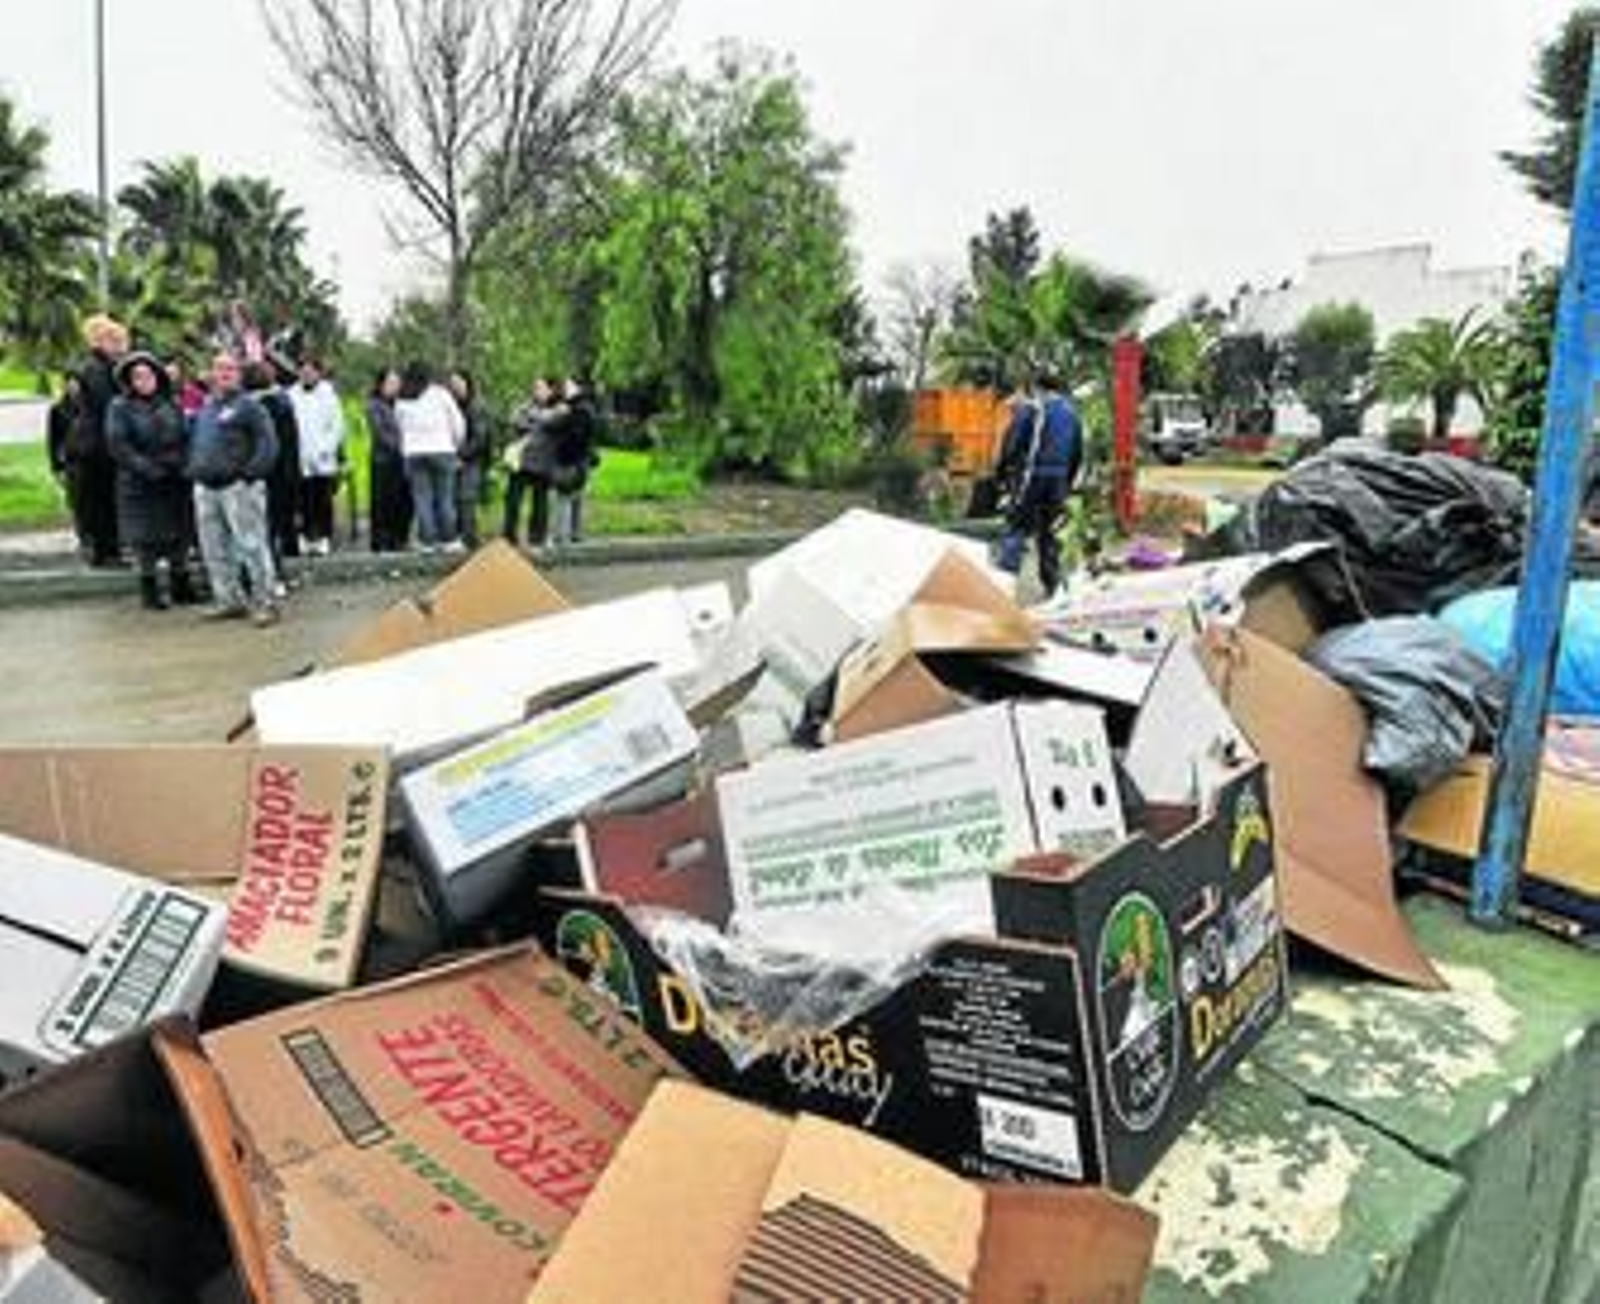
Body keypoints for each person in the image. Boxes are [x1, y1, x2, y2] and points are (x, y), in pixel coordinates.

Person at [188, 353, 281, 626]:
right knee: (213, 547)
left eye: (230, 369)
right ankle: (229, 600)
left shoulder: (250, 406)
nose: (225, 373)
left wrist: (249, 476)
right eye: (219, 368)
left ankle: (266, 602)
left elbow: (268, 443)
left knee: (251, 545)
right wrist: (193, 468)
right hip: (205, 487)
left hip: (238, 488)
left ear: (239, 374)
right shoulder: (207, 408)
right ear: (211, 374)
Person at [105, 351, 198, 610]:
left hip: (173, 478)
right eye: (137, 376)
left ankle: (182, 585)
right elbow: (118, 444)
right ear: (129, 380)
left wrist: (181, 462)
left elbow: (184, 436)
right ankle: (150, 590)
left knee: (179, 535)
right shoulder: (119, 406)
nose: (144, 380)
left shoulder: (171, 403)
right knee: (146, 539)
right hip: (140, 482)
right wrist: (146, 467)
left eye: (148, 374)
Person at [993, 372, 1084, 597]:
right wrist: (1066, 485)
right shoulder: (1072, 414)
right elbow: (1077, 453)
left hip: (1032, 478)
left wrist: (1002, 475)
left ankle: (1001, 591)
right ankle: (1052, 589)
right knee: (1049, 533)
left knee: (1016, 528)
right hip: (1058, 482)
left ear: (1038, 388)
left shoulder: (1033, 409)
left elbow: (1012, 444)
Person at [70, 314, 129, 566]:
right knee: (101, 498)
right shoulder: (97, 369)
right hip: (97, 444)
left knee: (97, 499)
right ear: (101, 340)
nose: (121, 347)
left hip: (90, 441)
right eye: (115, 340)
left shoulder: (91, 367)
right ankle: (106, 551)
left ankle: (103, 549)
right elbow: (107, 405)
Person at [395, 359, 464, 550]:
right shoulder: (440, 394)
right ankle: (449, 539)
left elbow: (400, 428)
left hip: (413, 453)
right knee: (444, 497)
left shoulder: (402, 398)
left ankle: (428, 541)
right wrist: (455, 445)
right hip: (442, 449)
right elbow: (457, 423)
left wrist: (408, 447)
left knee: (422, 498)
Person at [246, 361, 301, 581]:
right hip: (282, 472)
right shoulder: (284, 403)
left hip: (259, 472)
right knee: (274, 526)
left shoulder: (250, 406)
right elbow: (293, 442)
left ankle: (267, 575)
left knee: (260, 528)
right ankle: (277, 573)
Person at [289, 356, 345, 555]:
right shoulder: (291, 395)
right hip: (300, 456)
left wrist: (325, 450)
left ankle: (323, 537)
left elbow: (337, 426)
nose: (306, 374)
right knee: (302, 500)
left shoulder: (329, 395)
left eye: (311, 370)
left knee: (322, 499)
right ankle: (304, 537)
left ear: (318, 373)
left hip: (323, 458)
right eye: (303, 370)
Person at [502, 377, 557, 547]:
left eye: (541, 387)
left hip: (543, 462)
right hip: (521, 461)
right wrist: (537, 421)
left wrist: (534, 420)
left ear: (550, 390)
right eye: (535, 387)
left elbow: (553, 423)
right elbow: (514, 420)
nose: (536, 391)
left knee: (540, 502)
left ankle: (537, 538)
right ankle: (509, 537)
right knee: (513, 501)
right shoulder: (524, 406)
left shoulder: (557, 408)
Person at [546, 377, 599, 545]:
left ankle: (562, 536)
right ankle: (573, 534)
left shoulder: (579, 410)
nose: (564, 388)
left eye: (568, 385)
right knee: (574, 498)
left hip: (572, 460)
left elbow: (575, 437)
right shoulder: (579, 407)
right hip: (580, 460)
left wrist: (560, 420)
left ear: (577, 388)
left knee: (564, 497)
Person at [366, 367, 411, 551]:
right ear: (381, 384)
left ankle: (399, 539)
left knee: (403, 501)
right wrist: (401, 447)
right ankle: (380, 542)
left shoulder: (404, 403)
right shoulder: (374, 405)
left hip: (404, 461)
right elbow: (380, 434)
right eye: (390, 382)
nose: (395, 386)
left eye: (397, 382)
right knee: (382, 502)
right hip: (383, 461)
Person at [449, 369, 492, 548]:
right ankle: (462, 539)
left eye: (459, 382)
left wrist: (461, 456)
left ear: (467, 383)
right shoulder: (452, 405)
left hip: (472, 461)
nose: (455, 387)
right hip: (456, 459)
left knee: (467, 500)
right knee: (455, 501)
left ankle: (471, 541)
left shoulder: (476, 405)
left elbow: (480, 438)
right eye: (452, 383)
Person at [45, 375, 83, 548]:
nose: (74, 387)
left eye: (76, 384)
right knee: (75, 499)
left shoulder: (88, 407)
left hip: (88, 459)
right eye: (70, 384)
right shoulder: (58, 409)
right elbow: (53, 440)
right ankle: (81, 532)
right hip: (70, 460)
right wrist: (56, 466)